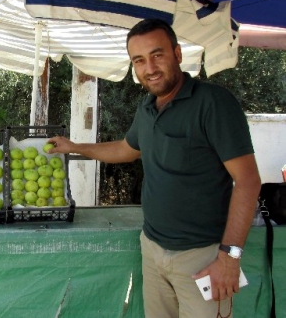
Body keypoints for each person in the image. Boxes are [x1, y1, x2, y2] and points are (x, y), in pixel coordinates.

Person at [48, 19, 261, 318]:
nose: (150, 68)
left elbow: (248, 181)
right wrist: (76, 147)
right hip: (153, 249)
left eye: (157, 55)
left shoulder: (213, 103)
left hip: (202, 256)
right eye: (139, 60)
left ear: (177, 53)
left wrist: (230, 257)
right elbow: (127, 149)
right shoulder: (147, 108)